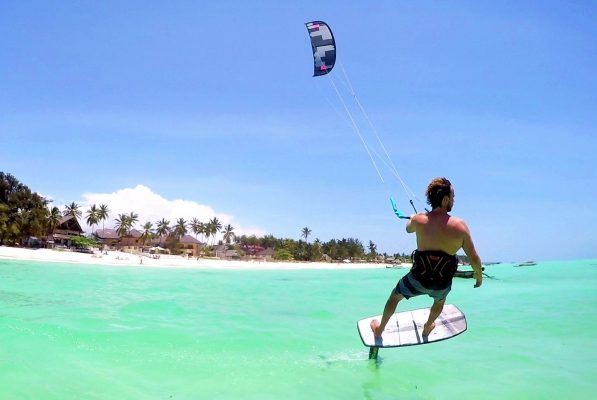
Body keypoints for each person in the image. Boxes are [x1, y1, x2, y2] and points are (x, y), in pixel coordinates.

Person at [371, 177, 483, 339]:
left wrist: (413, 217)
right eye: (452, 196)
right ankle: (428, 326)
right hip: (441, 285)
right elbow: (474, 258)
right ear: (445, 200)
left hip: (417, 280)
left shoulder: (418, 219)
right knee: (439, 302)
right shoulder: (460, 226)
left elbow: (408, 229)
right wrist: (478, 277)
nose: (454, 200)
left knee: (395, 297)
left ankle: (379, 331)